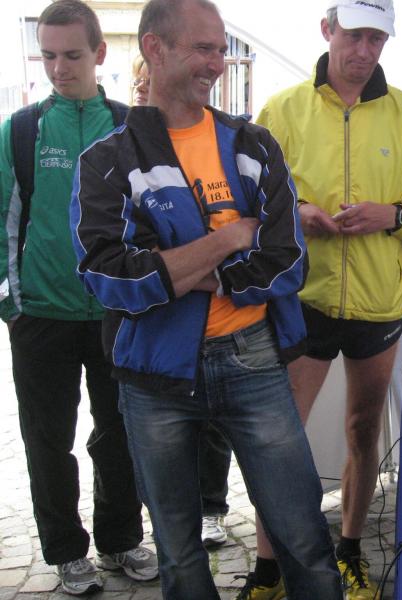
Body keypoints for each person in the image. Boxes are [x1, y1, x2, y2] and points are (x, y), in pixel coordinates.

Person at [69, 0, 342, 598]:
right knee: (180, 554)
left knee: (305, 539)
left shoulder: (254, 144)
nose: (217, 63)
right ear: (155, 48)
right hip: (154, 375)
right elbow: (108, 276)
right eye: (203, 48)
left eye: (221, 49)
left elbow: (287, 261)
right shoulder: (107, 162)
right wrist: (228, 238)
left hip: (254, 359)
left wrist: (176, 267)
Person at [232, 1, 402, 597]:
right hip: (304, 300)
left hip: (378, 305)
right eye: (355, 36)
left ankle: (350, 550)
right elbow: (251, 199)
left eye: (377, 39)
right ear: (328, 30)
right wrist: (298, 214)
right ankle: (270, 569)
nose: (365, 51)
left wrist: (392, 215)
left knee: (363, 429)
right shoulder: (284, 109)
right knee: (280, 438)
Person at [0, 1, 158, 595]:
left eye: (71, 55)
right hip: (41, 314)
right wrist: (11, 303)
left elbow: (154, 215)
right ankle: (66, 551)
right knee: (48, 441)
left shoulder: (130, 126)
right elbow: (1, 220)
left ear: (99, 53)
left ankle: (120, 540)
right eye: (47, 56)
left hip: (117, 310)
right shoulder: (20, 131)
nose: (59, 68)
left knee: (119, 433)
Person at [129, 51, 232, 549]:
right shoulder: (121, 152)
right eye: (141, 85)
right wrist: (214, 257)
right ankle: (159, 530)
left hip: (223, 327)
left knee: (213, 428)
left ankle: (212, 508)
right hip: (154, 333)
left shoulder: (222, 143)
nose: (146, 93)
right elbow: (136, 260)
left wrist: (182, 266)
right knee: (160, 440)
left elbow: (249, 242)